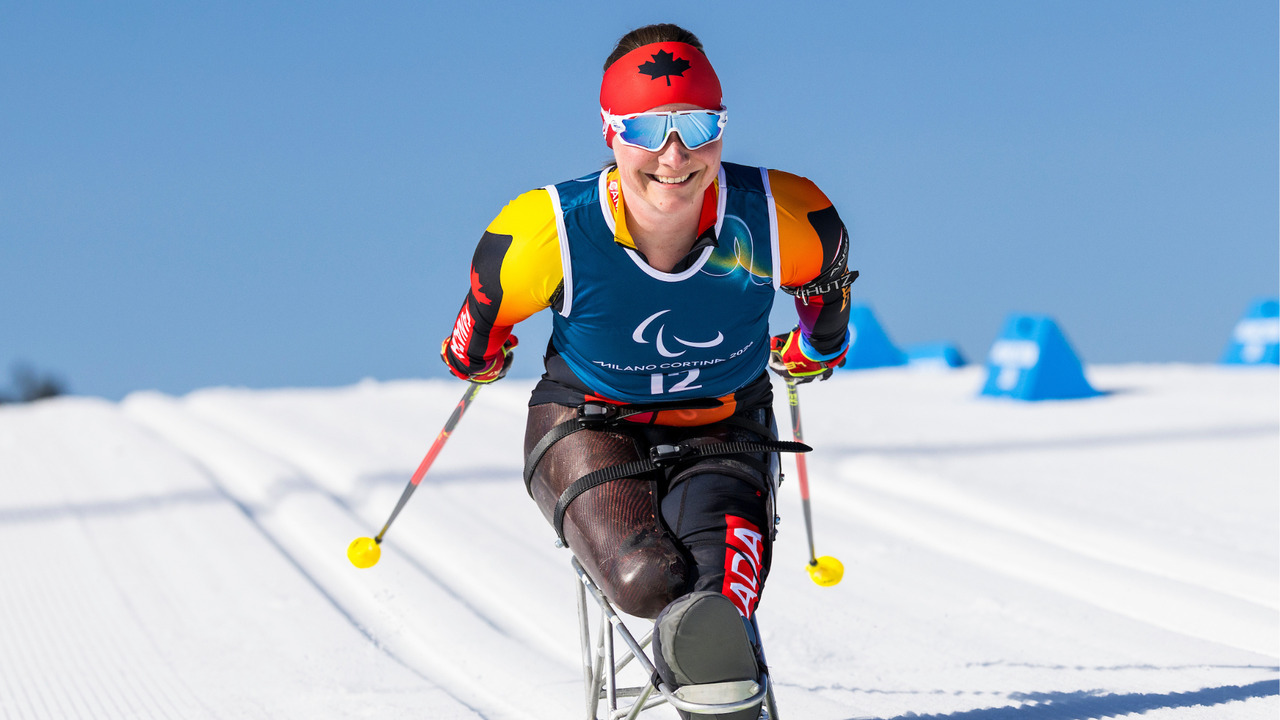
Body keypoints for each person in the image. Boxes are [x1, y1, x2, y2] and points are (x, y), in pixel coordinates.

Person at [440, 23, 854, 720]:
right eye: (645, 129)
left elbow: (827, 311)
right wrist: (480, 358)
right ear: (609, 130)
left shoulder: (787, 216)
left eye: (697, 125)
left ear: (722, 127)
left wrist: (809, 351)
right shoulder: (546, 232)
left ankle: (717, 684)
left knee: (717, 601)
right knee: (645, 577)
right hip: (587, 424)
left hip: (724, 424)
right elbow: (475, 335)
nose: (674, 154)